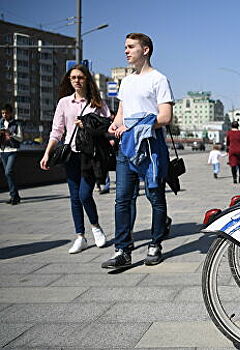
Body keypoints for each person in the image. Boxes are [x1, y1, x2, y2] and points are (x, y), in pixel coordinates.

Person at [101, 33, 174, 268]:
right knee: (122, 199)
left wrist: (133, 125)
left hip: (151, 147)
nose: (126, 51)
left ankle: (155, 243)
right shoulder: (127, 81)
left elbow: (165, 116)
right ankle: (122, 250)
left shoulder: (159, 79)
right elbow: (121, 112)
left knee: (155, 196)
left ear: (146, 50)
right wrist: (115, 124)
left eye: (131, 47)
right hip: (126, 149)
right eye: (125, 47)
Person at [39, 64, 110, 254]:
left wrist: (87, 123)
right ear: (69, 81)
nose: (77, 81)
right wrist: (47, 154)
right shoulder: (64, 102)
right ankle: (80, 236)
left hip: (90, 155)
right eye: (73, 78)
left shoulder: (98, 102)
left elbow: (107, 126)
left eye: (80, 77)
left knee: (84, 194)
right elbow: (57, 131)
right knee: (74, 197)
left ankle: (96, 227)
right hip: (71, 154)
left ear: (87, 79)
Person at [1, 104, 22, 205]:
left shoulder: (16, 124)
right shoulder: (0, 123)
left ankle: (14, 196)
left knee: (8, 172)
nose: (4, 115)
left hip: (13, 150)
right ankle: (14, 196)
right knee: (8, 174)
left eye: (6, 113)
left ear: (10, 113)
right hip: (2, 151)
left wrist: (12, 135)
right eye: (3, 113)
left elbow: (21, 138)